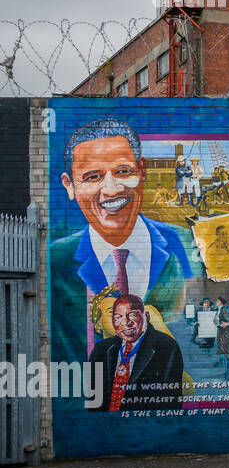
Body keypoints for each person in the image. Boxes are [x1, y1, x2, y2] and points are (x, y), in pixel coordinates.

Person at [50, 118, 202, 328]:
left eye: (123, 172)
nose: (112, 189)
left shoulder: (185, 242)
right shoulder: (55, 260)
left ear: (142, 171)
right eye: (93, 177)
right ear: (70, 186)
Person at [88, 293, 185, 411]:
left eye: (132, 315)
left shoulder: (166, 347)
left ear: (147, 317)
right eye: (117, 317)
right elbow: (93, 400)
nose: (125, 322)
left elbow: (171, 403)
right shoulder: (102, 349)